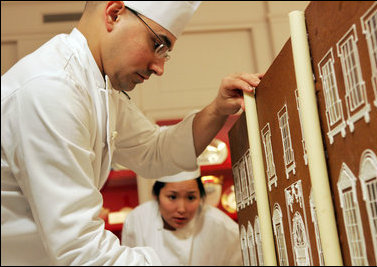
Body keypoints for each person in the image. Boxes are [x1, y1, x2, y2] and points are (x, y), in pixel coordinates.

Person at [1, 1, 262, 265]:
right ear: (114, 14)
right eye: (157, 44)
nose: (160, 68)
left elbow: (155, 151)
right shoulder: (52, 89)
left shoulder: (96, 86)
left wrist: (217, 110)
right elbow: (81, 250)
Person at [121, 168, 243, 266]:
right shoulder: (137, 221)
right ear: (156, 196)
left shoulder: (223, 228)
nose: (182, 209)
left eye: (191, 198)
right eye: (172, 197)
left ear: (200, 197)